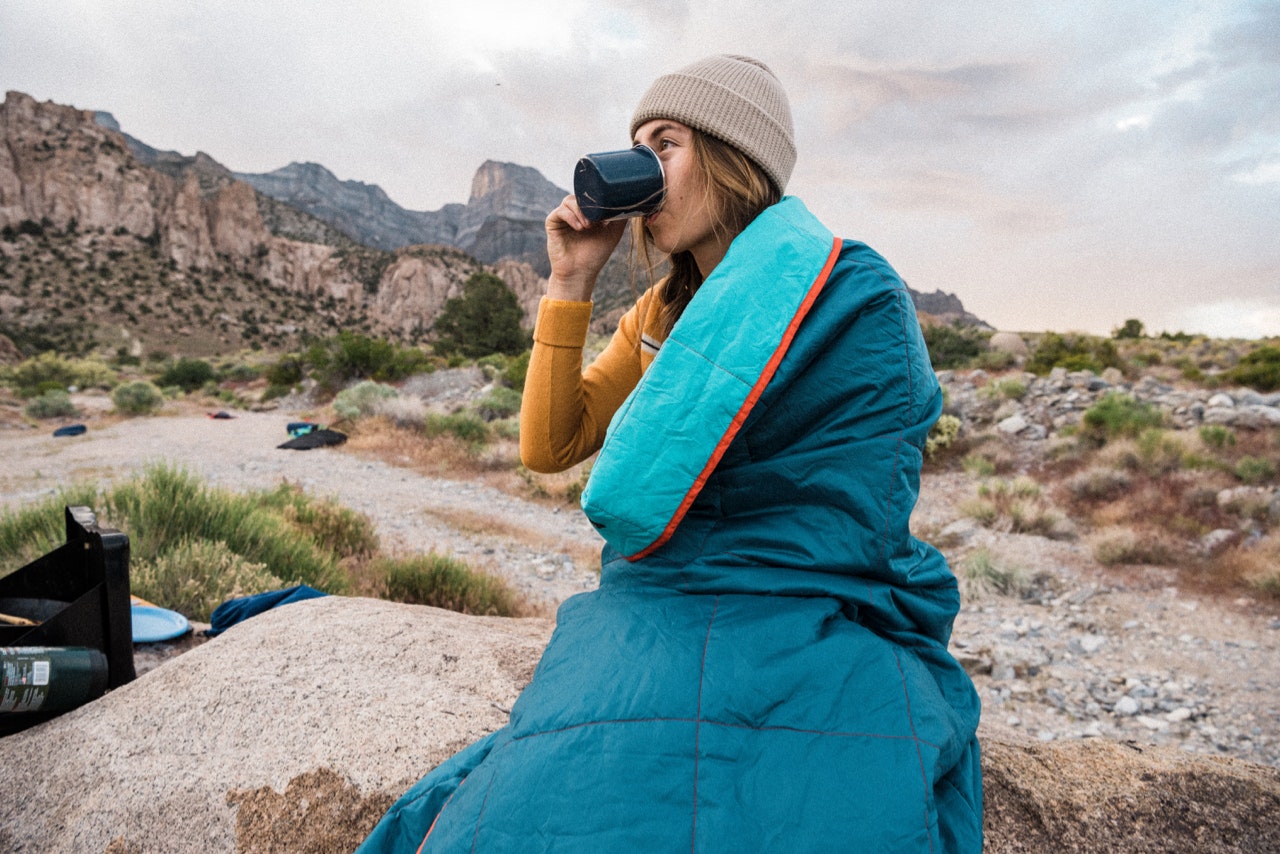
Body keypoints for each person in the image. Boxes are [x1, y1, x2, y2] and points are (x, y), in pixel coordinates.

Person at [359, 54, 983, 853]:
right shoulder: (661, 310)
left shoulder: (852, 291)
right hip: (662, 589)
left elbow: (865, 485)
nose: (642, 174)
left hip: (810, 586)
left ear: (734, 159)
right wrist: (570, 283)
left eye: (665, 146)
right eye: (635, 148)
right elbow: (551, 446)